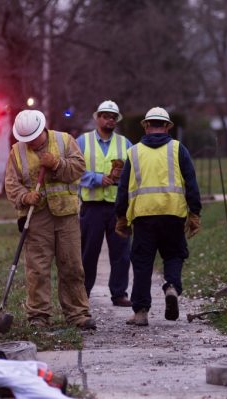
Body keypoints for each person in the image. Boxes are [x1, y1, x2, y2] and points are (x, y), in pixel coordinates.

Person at [4, 109, 96, 330]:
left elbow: (79, 168)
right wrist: (25, 197)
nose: (31, 143)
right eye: (26, 140)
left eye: (33, 138)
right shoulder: (17, 151)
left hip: (66, 215)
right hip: (37, 218)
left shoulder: (64, 141)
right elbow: (11, 184)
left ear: (42, 130)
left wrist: (57, 164)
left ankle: (77, 314)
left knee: (72, 266)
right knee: (38, 269)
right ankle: (38, 315)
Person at [115, 107, 202, 327]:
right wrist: (194, 213)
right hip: (173, 214)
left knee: (142, 263)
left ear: (145, 125)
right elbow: (191, 182)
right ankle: (171, 286)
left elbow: (123, 188)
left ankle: (141, 312)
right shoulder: (178, 149)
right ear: (167, 126)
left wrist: (121, 217)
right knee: (173, 255)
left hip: (143, 217)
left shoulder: (133, 152)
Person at [77, 100, 133, 307]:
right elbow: (74, 171)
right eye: (106, 116)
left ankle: (119, 293)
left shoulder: (125, 144)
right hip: (92, 207)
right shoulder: (82, 142)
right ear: (97, 118)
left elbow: (134, 171)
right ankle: (83, 293)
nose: (110, 120)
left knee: (121, 253)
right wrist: (97, 179)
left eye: (113, 117)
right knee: (88, 252)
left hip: (118, 206)